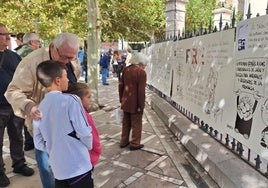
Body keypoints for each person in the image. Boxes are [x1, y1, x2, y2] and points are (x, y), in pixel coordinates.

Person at [5, 32, 81, 188]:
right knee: (49, 173)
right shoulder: (31, 62)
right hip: (46, 130)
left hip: (69, 128)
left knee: (68, 172)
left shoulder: (71, 59)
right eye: (64, 57)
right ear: (53, 47)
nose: (67, 62)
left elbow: (74, 82)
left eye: (71, 58)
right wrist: (29, 106)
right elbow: (12, 92)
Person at [34, 60, 94, 188]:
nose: (68, 80)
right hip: (79, 167)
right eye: (66, 76)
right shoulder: (72, 100)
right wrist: (87, 147)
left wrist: (54, 148)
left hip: (58, 170)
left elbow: (38, 142)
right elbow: (84, 132)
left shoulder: (39, 108)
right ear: (57, 80)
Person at [0, 23, 34, 187]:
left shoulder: (14, 56)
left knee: (17, 137)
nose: (7, 38)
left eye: (8, 34)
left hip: (14, 106)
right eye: (3, 34)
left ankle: (19, 164)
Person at [16, 32, 41, 151]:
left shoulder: (15, 53)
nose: (39, 45)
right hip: (31, 90)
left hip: (17, 92)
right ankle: (32, 141)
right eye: (38, 42)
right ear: (32, 42)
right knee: (32, 115)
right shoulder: (33, 55)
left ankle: (28, 143)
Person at [66, 82, 102, 167]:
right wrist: (97, 151)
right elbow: (92, 137)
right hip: (86, 158)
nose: (91, 99)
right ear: (79, 99)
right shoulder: (85, 116)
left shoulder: (65, 112)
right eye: (88, 97)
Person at [118, 53, 147, 150]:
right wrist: (141, 105)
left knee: (126, 123)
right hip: (136, 103)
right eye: (144, 65)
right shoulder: (141, 72)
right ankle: (135, 143)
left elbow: (121, 85)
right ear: (140, 63)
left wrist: (121, 99)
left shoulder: (126, 69)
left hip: (125, 101)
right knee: (136, 124)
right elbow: (141, 91)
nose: (145, 66)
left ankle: (124, 141)